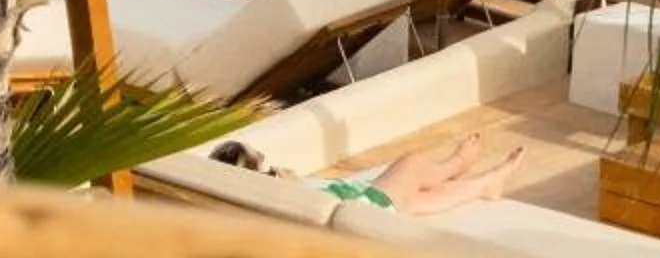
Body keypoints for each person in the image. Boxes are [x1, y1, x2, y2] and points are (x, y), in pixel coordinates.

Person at [212, 132, 529, 217]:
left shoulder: (254, 202)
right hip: (365, 207)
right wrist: (288, 179)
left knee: (414, 200)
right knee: (412, 164)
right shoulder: (280, 190)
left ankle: (483, 186)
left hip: (355, 207)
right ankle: (455, 165)